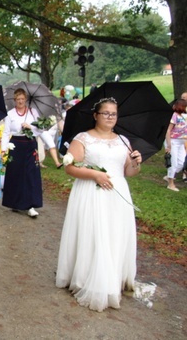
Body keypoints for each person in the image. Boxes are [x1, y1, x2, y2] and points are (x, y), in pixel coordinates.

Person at [56, 97, 142, 312]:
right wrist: (94, 174)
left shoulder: (123, 140)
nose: (110, 117)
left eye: (114, 114)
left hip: (117, 193)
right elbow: (70, 168)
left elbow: (129, 172)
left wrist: (135, 162)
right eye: (106, 113)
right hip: (92, 192)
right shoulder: (83, 138)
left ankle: (112, 277)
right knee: (94, 234)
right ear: (96, 116)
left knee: (114, 234)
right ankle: (87, 278)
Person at [0, 88, 43, 218]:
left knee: (31, 174)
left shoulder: (33, 112)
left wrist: (31, 127)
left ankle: (30, 205)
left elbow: (41, 129)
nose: (20, 101)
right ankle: (15, 202)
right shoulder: (10, 114)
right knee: (15, 173)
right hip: (16, 145)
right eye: (18, 99)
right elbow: (6, 132)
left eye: (22, 99)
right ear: (14, 100)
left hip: (30, 144)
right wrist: (3, 149)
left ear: (26, 100)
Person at [164, 99, 187, 191]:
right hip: (173, 141)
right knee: (173, 162)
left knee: (181, 163)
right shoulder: (174, 116)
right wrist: (169, 145)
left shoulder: (185, 116)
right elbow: (168, 130)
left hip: (181, 142)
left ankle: (170, 175)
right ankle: (170, 184)